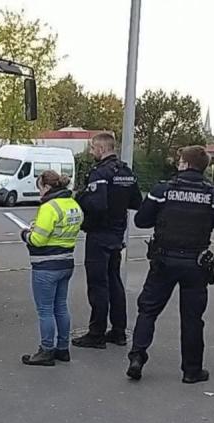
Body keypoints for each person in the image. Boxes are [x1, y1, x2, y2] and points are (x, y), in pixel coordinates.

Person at [126, 145, 214, 383]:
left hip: (164, 260)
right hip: (196, 264)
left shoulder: (162, 190)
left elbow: (141, 220)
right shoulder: (213, 194)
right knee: (192, 318)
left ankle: (137, 357)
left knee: (148, 310)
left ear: (185, 164)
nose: (177, 163)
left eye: (180, 160)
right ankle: (191, 371)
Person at [72, 133, 142, 349]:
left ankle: (96, 333)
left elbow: (97, 204)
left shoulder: (99, 173)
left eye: (93, 148)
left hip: (99, 235)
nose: (92, 152)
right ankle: (119, 331)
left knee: (98, 286)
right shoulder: (126, 172)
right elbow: (136, 201)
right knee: (114, 282)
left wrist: (80, 198)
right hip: (116, 234)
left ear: (102, 148)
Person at [20, 170, 84, 366]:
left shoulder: (49, 207)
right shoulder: (73, 204)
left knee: (45, 310)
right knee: (61, 307)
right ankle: (62, 349)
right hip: (66, 262)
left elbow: (38, 239)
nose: (39, 193)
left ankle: (46, 350)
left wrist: (25, 234)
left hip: (46, 266)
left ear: (47, 187)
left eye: (39, 188)